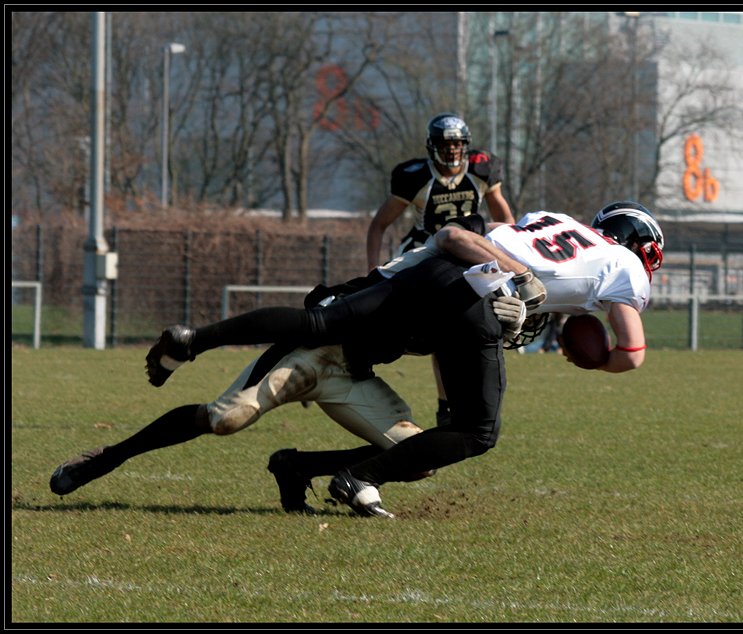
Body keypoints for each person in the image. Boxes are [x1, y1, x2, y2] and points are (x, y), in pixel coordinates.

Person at [140, 201, 664, 518]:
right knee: (477, 431)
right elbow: (633, 354)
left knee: (322, 321)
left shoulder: (555, 221)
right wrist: (596, 361)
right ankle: (357, 477)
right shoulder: (625, 266)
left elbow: (486, 243)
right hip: (475, 295)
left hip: (438, 266)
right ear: (643, 248)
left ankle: (195, 339)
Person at [49, 292, 532, 519]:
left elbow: (449, 351)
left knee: (419, 456)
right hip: (308, 356)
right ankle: (107, 458)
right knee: (224, 419)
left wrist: (448, 408)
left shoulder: (463, 308)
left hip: (352, 377)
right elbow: (317, 308)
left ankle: (296, 467)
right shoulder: (414, 278)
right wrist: (202, 341)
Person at [366, 113, 515, 426]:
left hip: (468, 253)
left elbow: (508, 224)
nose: (452, 150)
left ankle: (449, 408)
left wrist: (508, 260)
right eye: (446, 144)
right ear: (432, 146)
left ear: (466, 145)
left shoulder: (481, 169)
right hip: (425, 253)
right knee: (386, 319)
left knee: (463, 329)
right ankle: (351, 357)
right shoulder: (416, 176)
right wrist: (373, 270)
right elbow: (379, 225)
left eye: (457, 144)